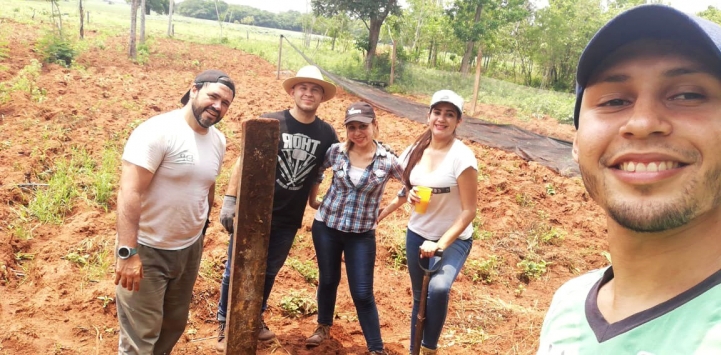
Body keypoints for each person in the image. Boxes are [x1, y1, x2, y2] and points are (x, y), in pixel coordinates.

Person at [537, 5, 721, 354]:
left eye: (688, 95)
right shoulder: (568, 304)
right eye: (615, 100)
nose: (642, 122)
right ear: (576, 142)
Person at [214, 65, 339, 352]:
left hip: (288, 217)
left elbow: (322, 169)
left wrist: (313, 198)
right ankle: (225, 324)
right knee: (235, 269)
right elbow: (242, 161)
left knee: (268, 271)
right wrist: (231, 201)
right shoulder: (271, 121)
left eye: (315, 89)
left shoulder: (326, 133)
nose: (309, 93)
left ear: (322, 97)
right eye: (303, 87)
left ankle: (254, 319)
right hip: (254, 211)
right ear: (293, 91)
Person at [114, 69, 235, 354]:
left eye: (226, 103)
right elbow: (129, 191)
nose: (218, 106)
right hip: (146, 249)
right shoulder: (158, 131)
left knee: (173, 325)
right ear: (194, 90)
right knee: (140, 337)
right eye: (213, 96)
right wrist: (127, 252)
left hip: (187, 250)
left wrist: (200, 230)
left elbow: (207, 184)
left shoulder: (217, 140)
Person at [379, 90, 478, 355]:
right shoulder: (414, 151)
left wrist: (440, 244)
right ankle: (414, 351)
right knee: (419, 298)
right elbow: (404, 191)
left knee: (439, 287)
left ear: (459, 121)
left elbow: (469, 211)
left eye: (449, 114)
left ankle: (429, 349)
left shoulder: (463, 158)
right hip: (417, 234)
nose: (442, 119)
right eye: (437, 112)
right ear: (429, 116)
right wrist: (382, 213)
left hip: (453, 239)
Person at [303, 102, 404, 354]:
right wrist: (313, 200)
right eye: (352, 127)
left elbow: (411, 185)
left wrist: (383, 213)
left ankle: (376, 348)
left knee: (362, 292)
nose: (358, 132)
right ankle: (323, 327)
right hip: (327, 226)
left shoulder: (388, 160)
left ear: (375, 126)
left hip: (361, 235)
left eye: (363, 126)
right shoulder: (336, 152)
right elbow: (318, 171)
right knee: (328, 279)